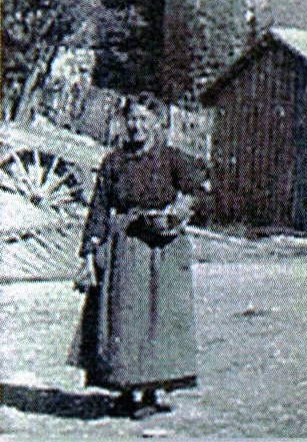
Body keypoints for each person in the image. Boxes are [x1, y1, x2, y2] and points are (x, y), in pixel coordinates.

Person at [69, 93, 211, 419]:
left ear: (158, 124)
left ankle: (152, 390)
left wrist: (178, 212)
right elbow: (100, 208)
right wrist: (90, 251)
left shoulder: (173, 160)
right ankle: (126, 390)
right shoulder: (114, 162)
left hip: (163, 248)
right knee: (125, 318)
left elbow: (198, 189)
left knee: (159, 318)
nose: (136, 126)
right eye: (131, 119)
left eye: (144, 120)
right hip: (125, 250)